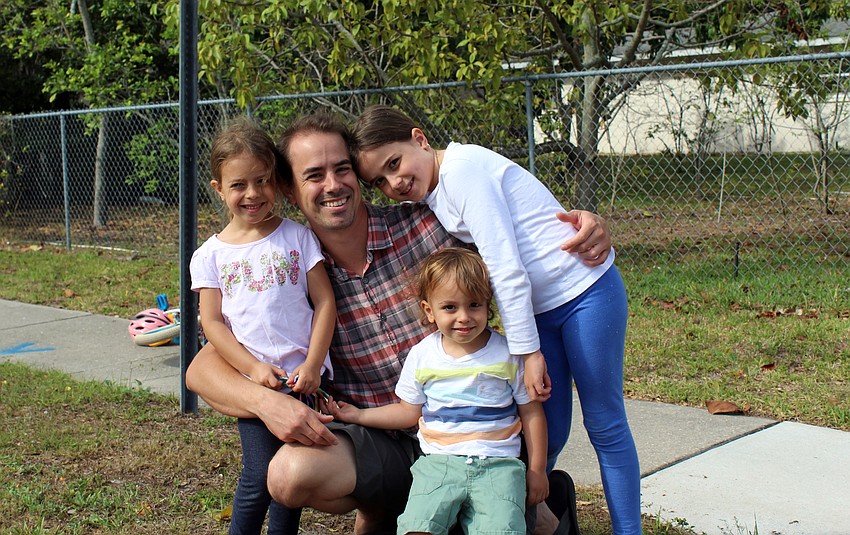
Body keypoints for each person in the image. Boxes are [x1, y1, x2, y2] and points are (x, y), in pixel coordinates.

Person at [184, 111, 614, 535]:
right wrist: (267, 403)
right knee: (288, 474)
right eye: (314, 175)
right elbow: (201, 370)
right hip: (381, 439)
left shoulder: (429, 226)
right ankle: (385, 507)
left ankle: (543, 512)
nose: (332, 185)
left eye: (342, 169)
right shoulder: (291, 267)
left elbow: (512, 240)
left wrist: (580, 227)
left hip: (470, 436)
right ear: (290, 191)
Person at [351, 105, 641, 535]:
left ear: (419, 139)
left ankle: (627, 529)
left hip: (584, 292)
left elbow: (505, 268)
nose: (394, 183)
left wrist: (528, 353)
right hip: (539, 312)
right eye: (379, 180)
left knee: (604, 422)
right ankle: (532, 514)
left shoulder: (462, 171)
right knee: (550, 426)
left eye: (394, 163)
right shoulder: (434, 193)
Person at [329, 247, 548, 534]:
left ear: (488, 305)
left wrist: (537, 470)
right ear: (429, 311)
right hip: (437, 465)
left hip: (499, 467)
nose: (464, 317)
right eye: (450, 307)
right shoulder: (423, 356)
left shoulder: (508, 354)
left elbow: (531, 413)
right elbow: (408, 412)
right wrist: (358, 416)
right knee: (417, 528)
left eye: (474, 305)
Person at [188, 117, 336, 535]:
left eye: (262, 181)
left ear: (276, 181)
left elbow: (325, 302)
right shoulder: (210, 255)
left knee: (290, 484)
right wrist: (252, 369)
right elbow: (212, 323)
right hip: (257, 387)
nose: (252, 193)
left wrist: (314, 363)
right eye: (239, 185)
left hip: (305, 383)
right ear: (219, 188)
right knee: (257, 478)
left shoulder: (298, 237)